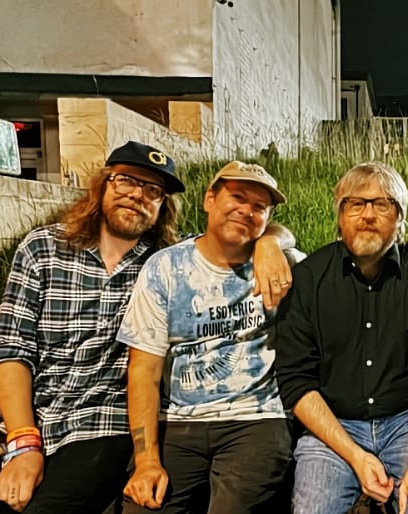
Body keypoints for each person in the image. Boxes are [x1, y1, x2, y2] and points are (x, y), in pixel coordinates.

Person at [0, 142, 296, 514]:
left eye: (153, 191)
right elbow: (11, 348)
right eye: (126, 182)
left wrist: (270, 241)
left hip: (102, 421)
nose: (137, 195)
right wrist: (23, 441)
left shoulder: (161, 260)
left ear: (163, 205)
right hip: (29, 417)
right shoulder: (44, 248)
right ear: (102, 185)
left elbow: (242, 234)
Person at [118, 161, 302, 513]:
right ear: (209, 199)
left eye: (259, 207)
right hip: (179, 422)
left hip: (256, 418)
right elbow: (143, 371)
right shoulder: (165, 268)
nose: (246, 210)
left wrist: (271, 242)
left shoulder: (283, 264)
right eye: (237, 197)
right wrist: (146, 461)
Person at [274, 162, 408, 514]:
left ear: (400, 220)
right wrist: (356, 456)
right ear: (340, 217)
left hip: (406, 421)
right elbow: (296, 381)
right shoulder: (309, 278)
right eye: (355, 204)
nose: (368, 214)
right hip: (333, 426)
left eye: (382, 204)